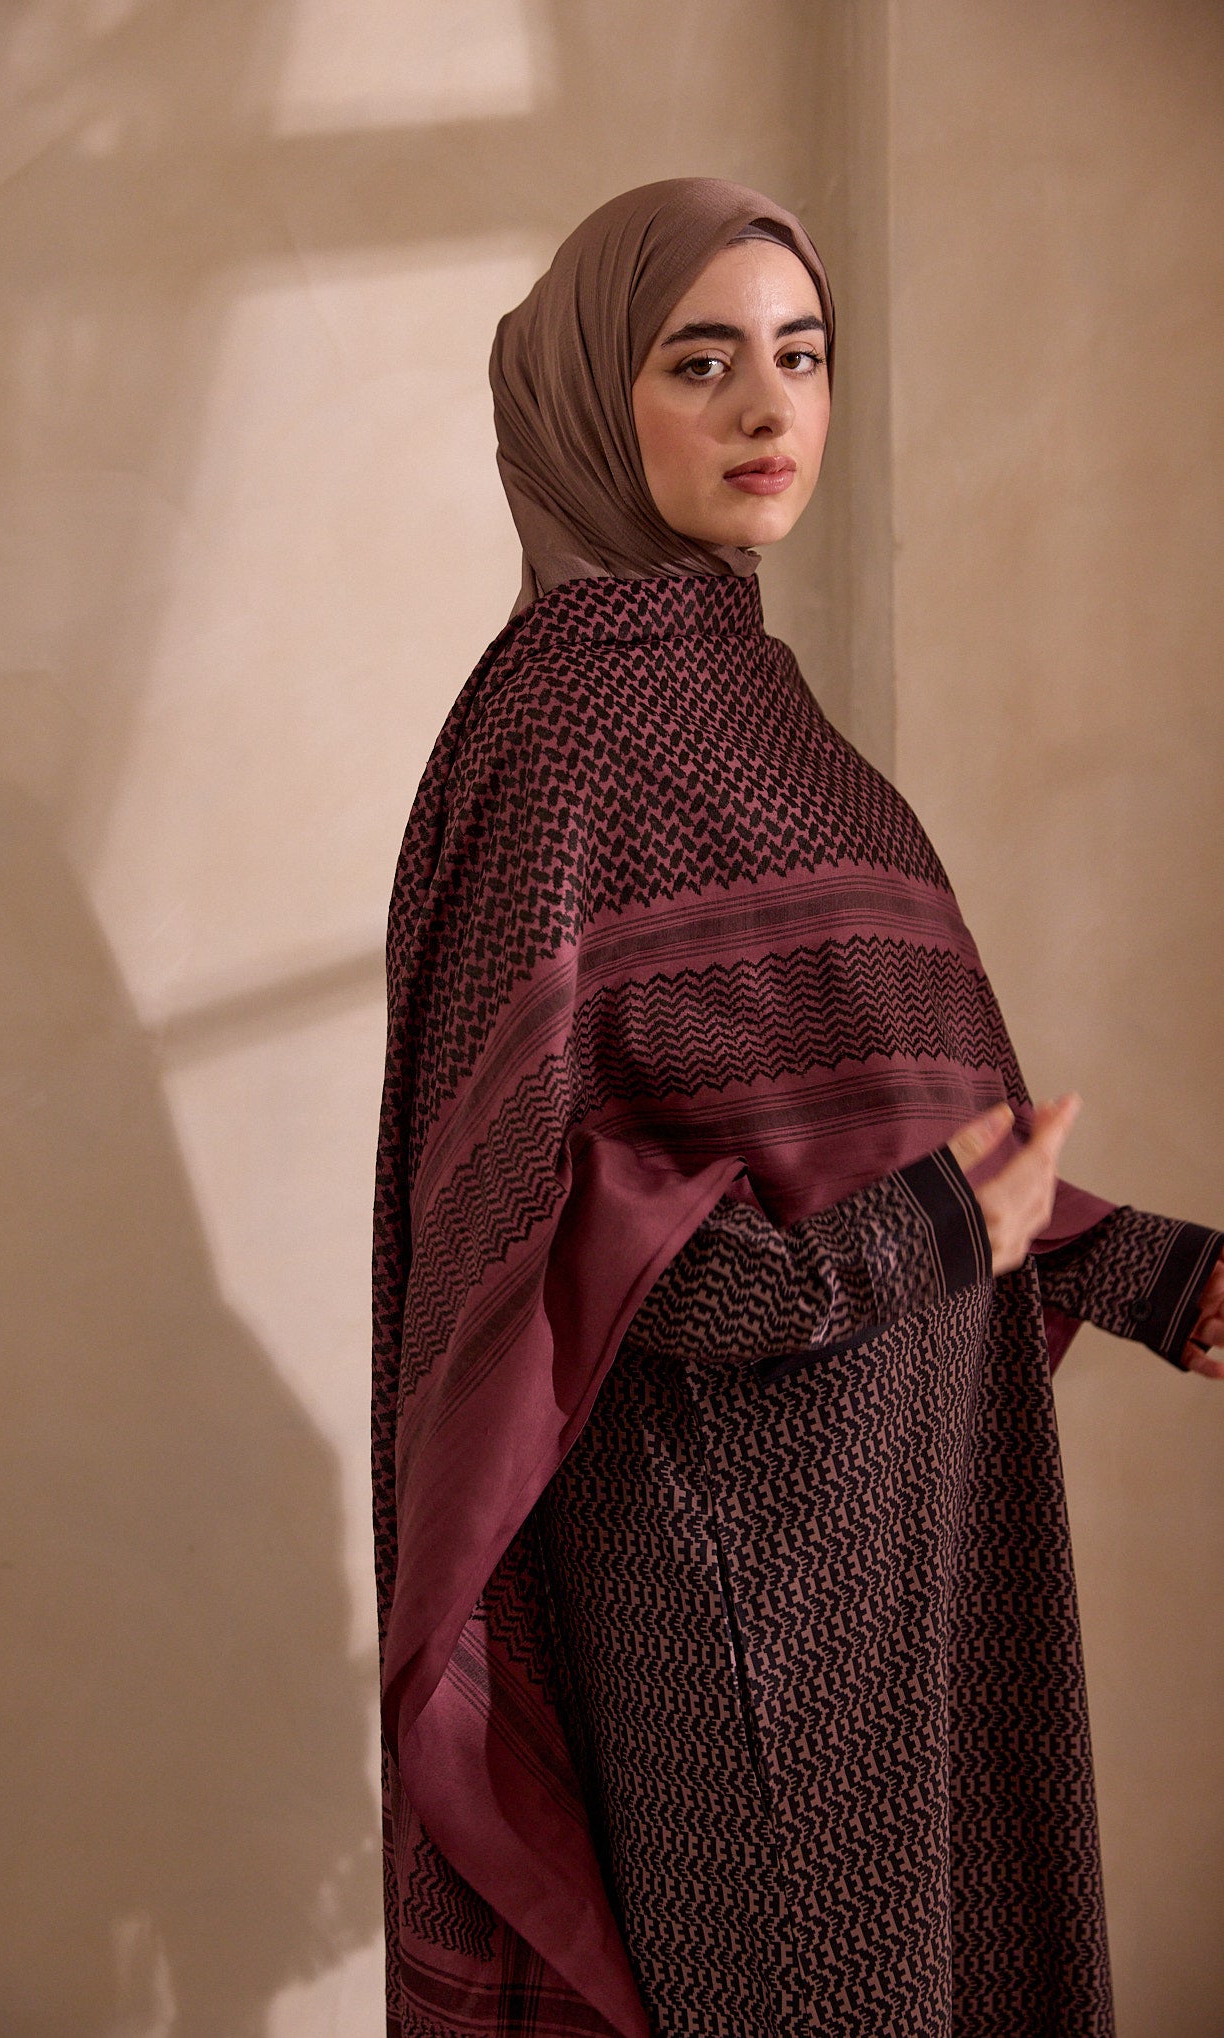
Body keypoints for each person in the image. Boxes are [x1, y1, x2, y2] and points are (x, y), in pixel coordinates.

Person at [371, 178, 1224, 2038]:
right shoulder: (569, 735)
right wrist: (920, 1236)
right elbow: (554, 1236)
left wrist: (1155, 1273)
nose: (770, 410)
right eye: (701, 362)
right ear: (597, 401)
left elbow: (888, 1131)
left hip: (914, 1510)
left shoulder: (756, 708)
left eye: (801, 356)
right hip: (733, 1562)